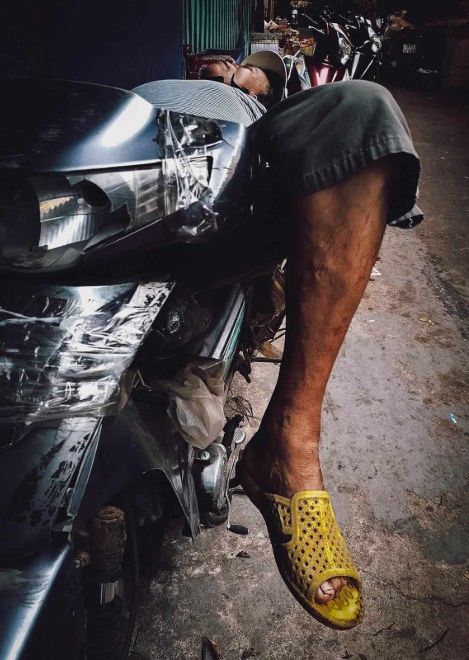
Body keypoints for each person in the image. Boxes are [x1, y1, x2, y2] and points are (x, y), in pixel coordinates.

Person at [133, 52, 422, 630]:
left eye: (238, 67)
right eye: (212, 67)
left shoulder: (257, 110)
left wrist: (245, 88)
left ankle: (288, 444)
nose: (225, 69)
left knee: (362, 108)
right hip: (121, 191)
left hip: (224, 192)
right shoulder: (143, 94)